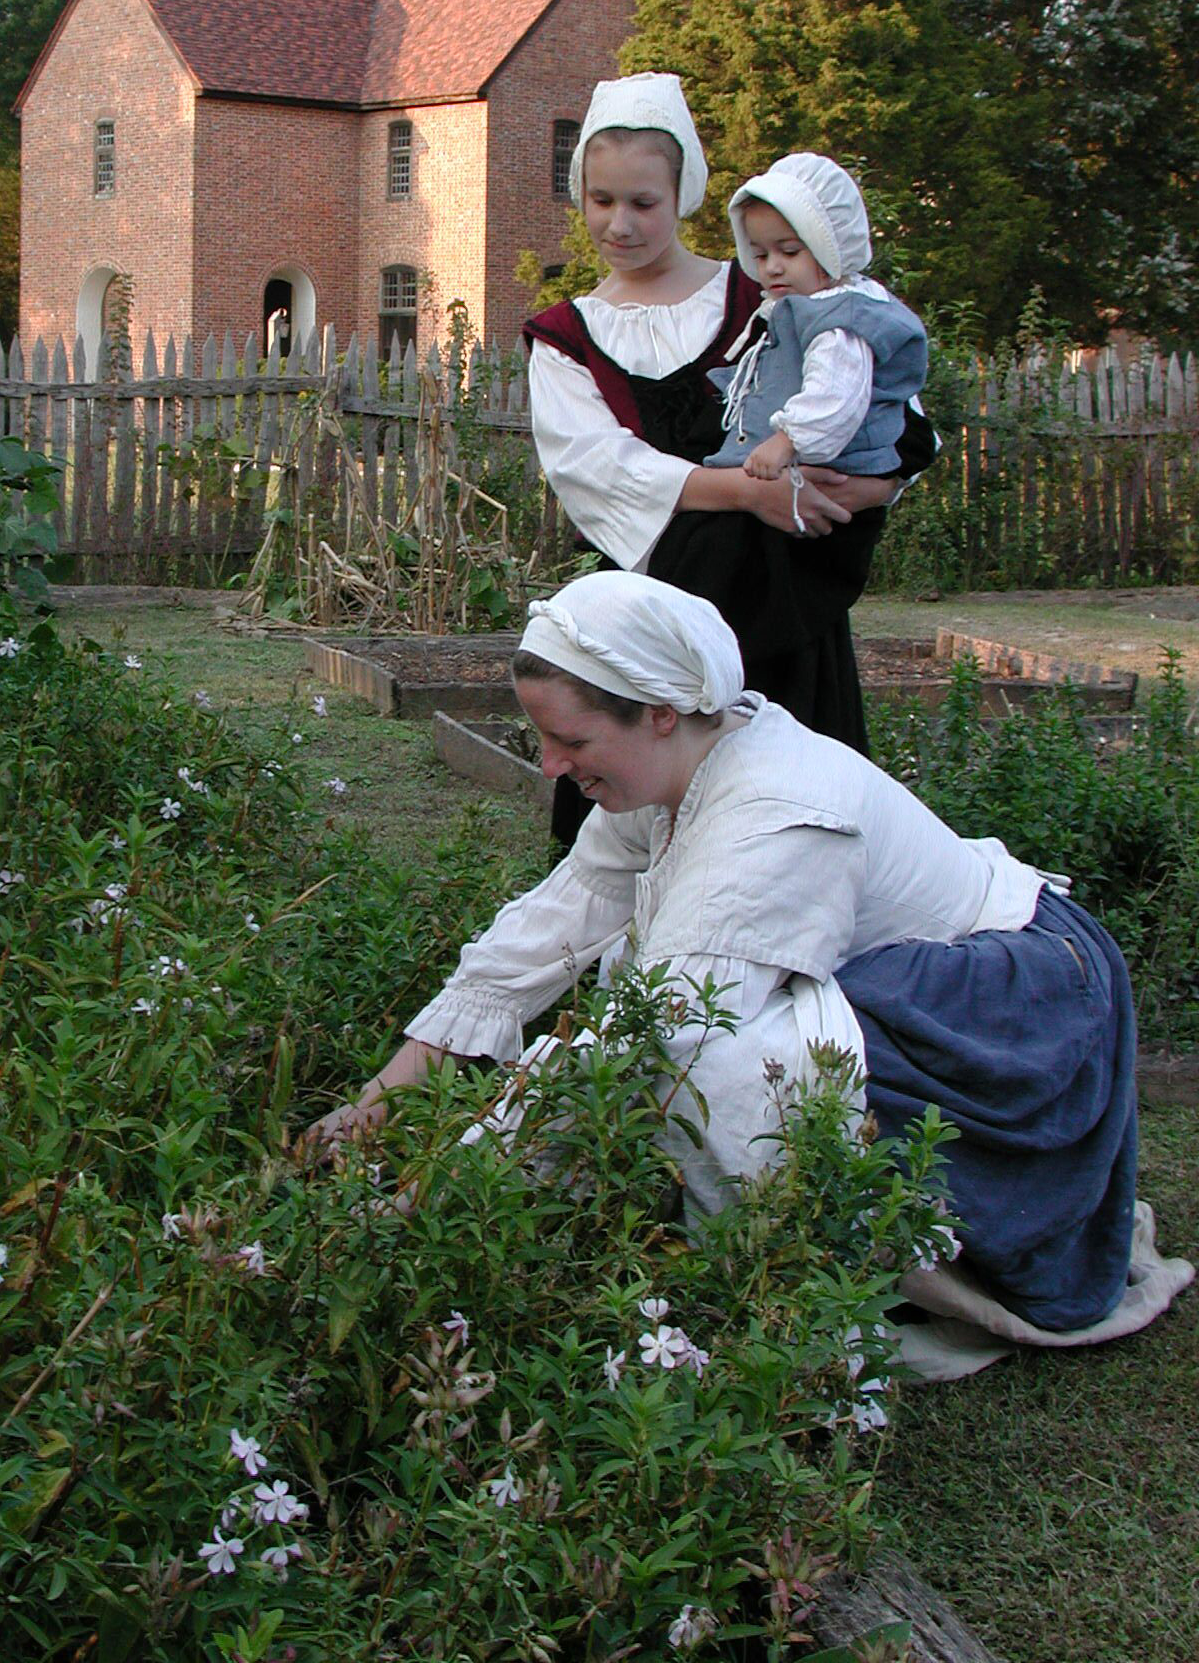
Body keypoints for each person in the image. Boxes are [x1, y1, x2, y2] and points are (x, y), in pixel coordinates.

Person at [309, 572, 1192, 1377]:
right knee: (721, 1045)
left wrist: (432, 1205)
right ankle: (782, 1252)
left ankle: (807, 1301)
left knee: (743, 1069)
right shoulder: (670, 775)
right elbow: (544, 933)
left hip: (1020, 997)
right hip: (927, 973)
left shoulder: (775, 815)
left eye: (566, 737)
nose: (549, 765)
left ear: (660, 710)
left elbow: (657, 1037)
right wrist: (376, 1102)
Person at [523, 74, 935, 777]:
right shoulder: (568, 337)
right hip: (654, 610)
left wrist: (867, 491)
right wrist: (748, 492)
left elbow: (892, 410)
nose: (620, 224)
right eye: (602, 200)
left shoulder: (772, 291)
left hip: (786, 601)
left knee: (790, 805)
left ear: (683, 195)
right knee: (649, 819)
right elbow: (599, 467)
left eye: (643, 202)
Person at [704, 153, 928, 491]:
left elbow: (834, 396)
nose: (773, 267)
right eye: (761, 255)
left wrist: (786, 442)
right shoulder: (793, 310)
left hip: (831, 481)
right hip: (790, 477)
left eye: (790, 252)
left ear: (831, 248)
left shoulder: (840, 322)